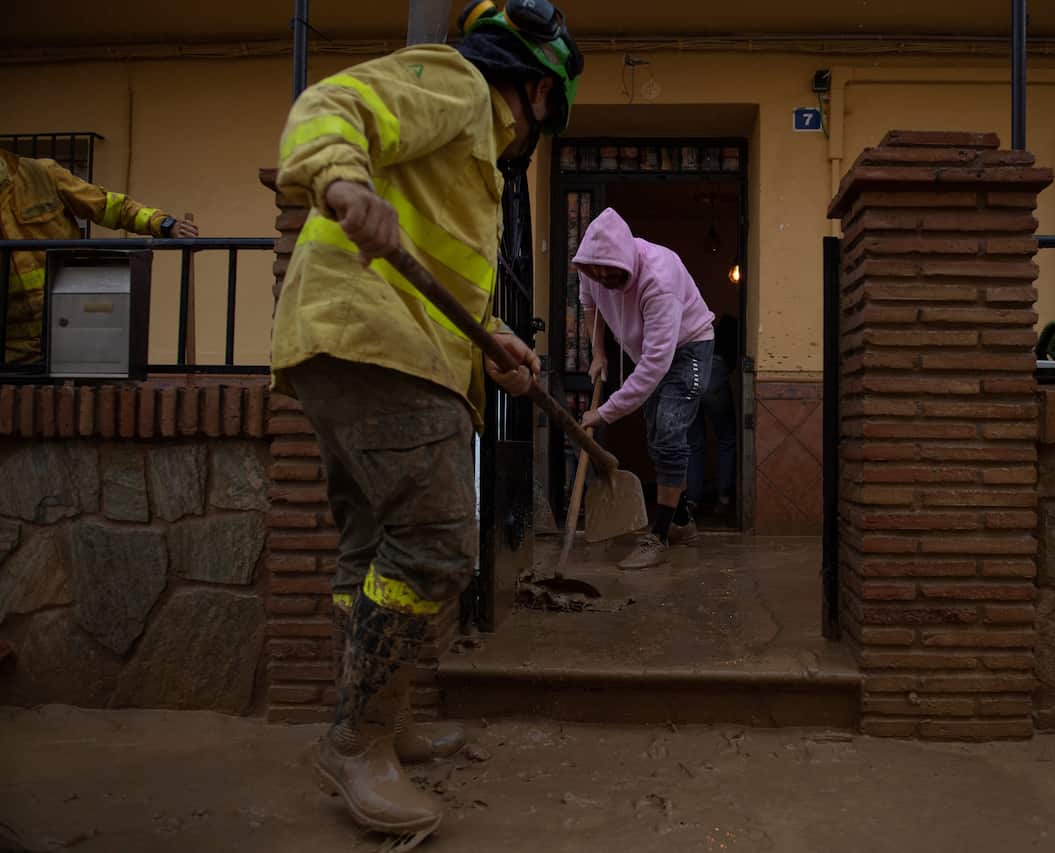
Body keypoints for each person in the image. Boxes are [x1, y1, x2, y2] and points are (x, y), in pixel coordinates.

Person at [271, 0, 581, 841]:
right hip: (375, 341)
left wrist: (496, 343)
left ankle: (385, 719)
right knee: (440, 535)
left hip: (348, 340)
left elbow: (441, 278)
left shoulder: (467, 159)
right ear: (540, 95)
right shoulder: (460, 85)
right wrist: (341, 178)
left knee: (370, 543)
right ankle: (357, 740)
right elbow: (328, 104)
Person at [576, 208, 715, 570]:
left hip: (690, 350)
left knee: (669, 430)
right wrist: (598, 352)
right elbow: (588, 301)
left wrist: (603, 413)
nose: (604, 278)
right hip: (649, 352)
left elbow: (655, 365)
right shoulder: (592, 268)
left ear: (627, 260)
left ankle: (661, 535)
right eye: (598, 272)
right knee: (657, 437)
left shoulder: (659, 279)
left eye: (613, 274)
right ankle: (682, 521)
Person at [0, 149, 198, 364]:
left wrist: (165, 225)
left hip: (71, 323)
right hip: (12, 348)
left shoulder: (40, 174)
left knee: (90, 393)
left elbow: (111, 207)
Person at [686, 313, 738, 517]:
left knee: (694, 443)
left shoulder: (704, 336)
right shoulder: (731, 340)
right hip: (715, 375)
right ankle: (724, 499)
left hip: (690, 376)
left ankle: (692, 500)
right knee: (727, 439)